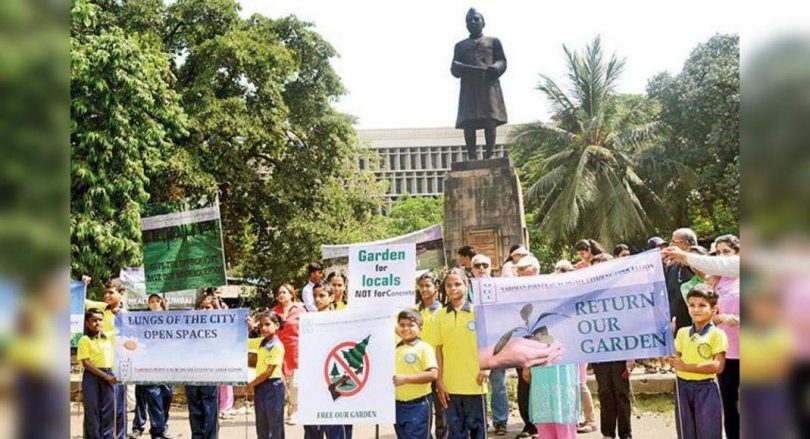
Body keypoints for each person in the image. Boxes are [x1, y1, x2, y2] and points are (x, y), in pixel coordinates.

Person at [667, 284, 727, 439]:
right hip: (682, 387)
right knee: (685, 432)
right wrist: (668, 341)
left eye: (702, 305)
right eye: (692, 305)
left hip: (705, 389)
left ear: (714, 310)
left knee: (708, 431)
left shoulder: (717, 334)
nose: (696, 309)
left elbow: (718, 366)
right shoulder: (682, 332)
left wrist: (686, 366)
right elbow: (673, 359)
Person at [435, 268, 488, 439]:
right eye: (449, 285)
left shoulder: (478, 312)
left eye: (457, 284)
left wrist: (486, 368)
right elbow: (438, 350)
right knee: (456, 432)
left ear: (466, 285)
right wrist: (439, 381)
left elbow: (489, 343)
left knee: (478, 430)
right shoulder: (439, 315)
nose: (453, 288)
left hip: (475, 383)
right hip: (450, 386)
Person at [451, 8, 508, 160]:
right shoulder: (460, 46)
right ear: (466, 25)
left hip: (488, 86)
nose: (473, 22)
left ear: (483, 22)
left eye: (476, 19)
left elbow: (502, 61)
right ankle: (472, 156)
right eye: (470, 20)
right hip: (469, 88)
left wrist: (495, 68)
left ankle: (489, 155)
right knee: (468, 122)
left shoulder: (493, 42)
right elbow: (454, 70)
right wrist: (456, 68)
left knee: (490, 120)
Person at [590, 254, 635, 439]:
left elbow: (630, 325)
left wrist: (631, 355)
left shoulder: (622, 293)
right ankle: (607, 433)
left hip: (621, 350)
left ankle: (625, 433)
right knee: (604, 392)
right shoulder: (589, 295)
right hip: (599, 351)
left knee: (621, 392)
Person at [303, 281, 353, 439]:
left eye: (322, 295)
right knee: (313, 427)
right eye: (315, 296)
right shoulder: (308, 321)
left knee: (336, 427)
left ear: (332, 297)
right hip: (314, 380)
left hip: (336, 378)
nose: (317, 299)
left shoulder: (341, 320)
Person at [469, 254, 506, 436]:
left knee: (498, 385)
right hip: (472, 345)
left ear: (491, 267)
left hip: (496, 344)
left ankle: (500, 421)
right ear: (472, 269)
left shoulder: (499, 287)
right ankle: (481, 421)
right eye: (477, 265)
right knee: (476, 384)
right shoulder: (466, 289)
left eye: (485, 265)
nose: (481, 268)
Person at [130, 295, 173, 439]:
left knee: (166, 396)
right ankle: (138, 427)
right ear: (148, 304)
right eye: (152, 301)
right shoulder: (142, 320)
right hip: (146, 364)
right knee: (142, 397)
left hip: (166, 364)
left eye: (158, 301)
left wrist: (167, 314)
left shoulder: (170, 319)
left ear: (163, 302)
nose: (155, 304)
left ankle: (163, 426)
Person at [79, 308, 126, 439]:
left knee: (109, 410)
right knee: (92, 410)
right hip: (92, 375)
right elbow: (86, 363)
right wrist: (106, 377)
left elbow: (124, 329)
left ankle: (107, 436)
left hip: (109, 373)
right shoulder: (85, 340)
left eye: (100, 320)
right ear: (87, 323)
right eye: (94, 320)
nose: (97, 323)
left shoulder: (108, 337)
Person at [393, 309, 439, 439]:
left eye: (411, 325)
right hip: (398, 405)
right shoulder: (396, 348)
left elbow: (433, 374)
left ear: (420, 328)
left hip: (419, 405)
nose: (406, 328)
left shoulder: (424, 348)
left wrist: (406, 379)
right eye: (402, 325)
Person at [415, 271, 448, 439]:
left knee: (442, 407)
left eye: (427, 285)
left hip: (440, 366)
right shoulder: (414, 311)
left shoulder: (443, 311)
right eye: (421, 286)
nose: (424, 289)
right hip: (419, 368)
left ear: (436, 287)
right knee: (423, 409)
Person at [270, 284, 307, 425]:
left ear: (292, 294)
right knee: (281, 382)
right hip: (278, 349)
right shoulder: (274, 311)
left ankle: (295, 411)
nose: (281, 295)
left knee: (295, 382)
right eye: (279, 292)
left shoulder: (300, 310)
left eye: (284, 292)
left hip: (295, 348)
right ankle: (289, 406)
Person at [185, 297, 220, 439]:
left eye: (208, 307)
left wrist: (219, 310)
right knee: (194, 410)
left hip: (210, 372)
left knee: (210, 409)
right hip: (191, 371)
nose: (204, 310)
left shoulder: (220, 326)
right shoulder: (190, 325)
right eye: (202, 307)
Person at [248, 312, 286, 439]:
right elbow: (244, 343)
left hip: (273, 386)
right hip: (260, 387)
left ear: (277, 325)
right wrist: (248, 328)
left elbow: (268, 372)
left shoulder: (277, 346)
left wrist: (251, 384)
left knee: (275, 423)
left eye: (267, 324)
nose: (263, 328)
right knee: (261, 423)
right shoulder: (260, 342)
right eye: (261, 325)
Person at [666, 228, 697, 331]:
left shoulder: (699, 263)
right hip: (676, 323)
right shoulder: (672, 266)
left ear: (685, 244)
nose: (670, 245)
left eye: (673, 241)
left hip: (695, 321)